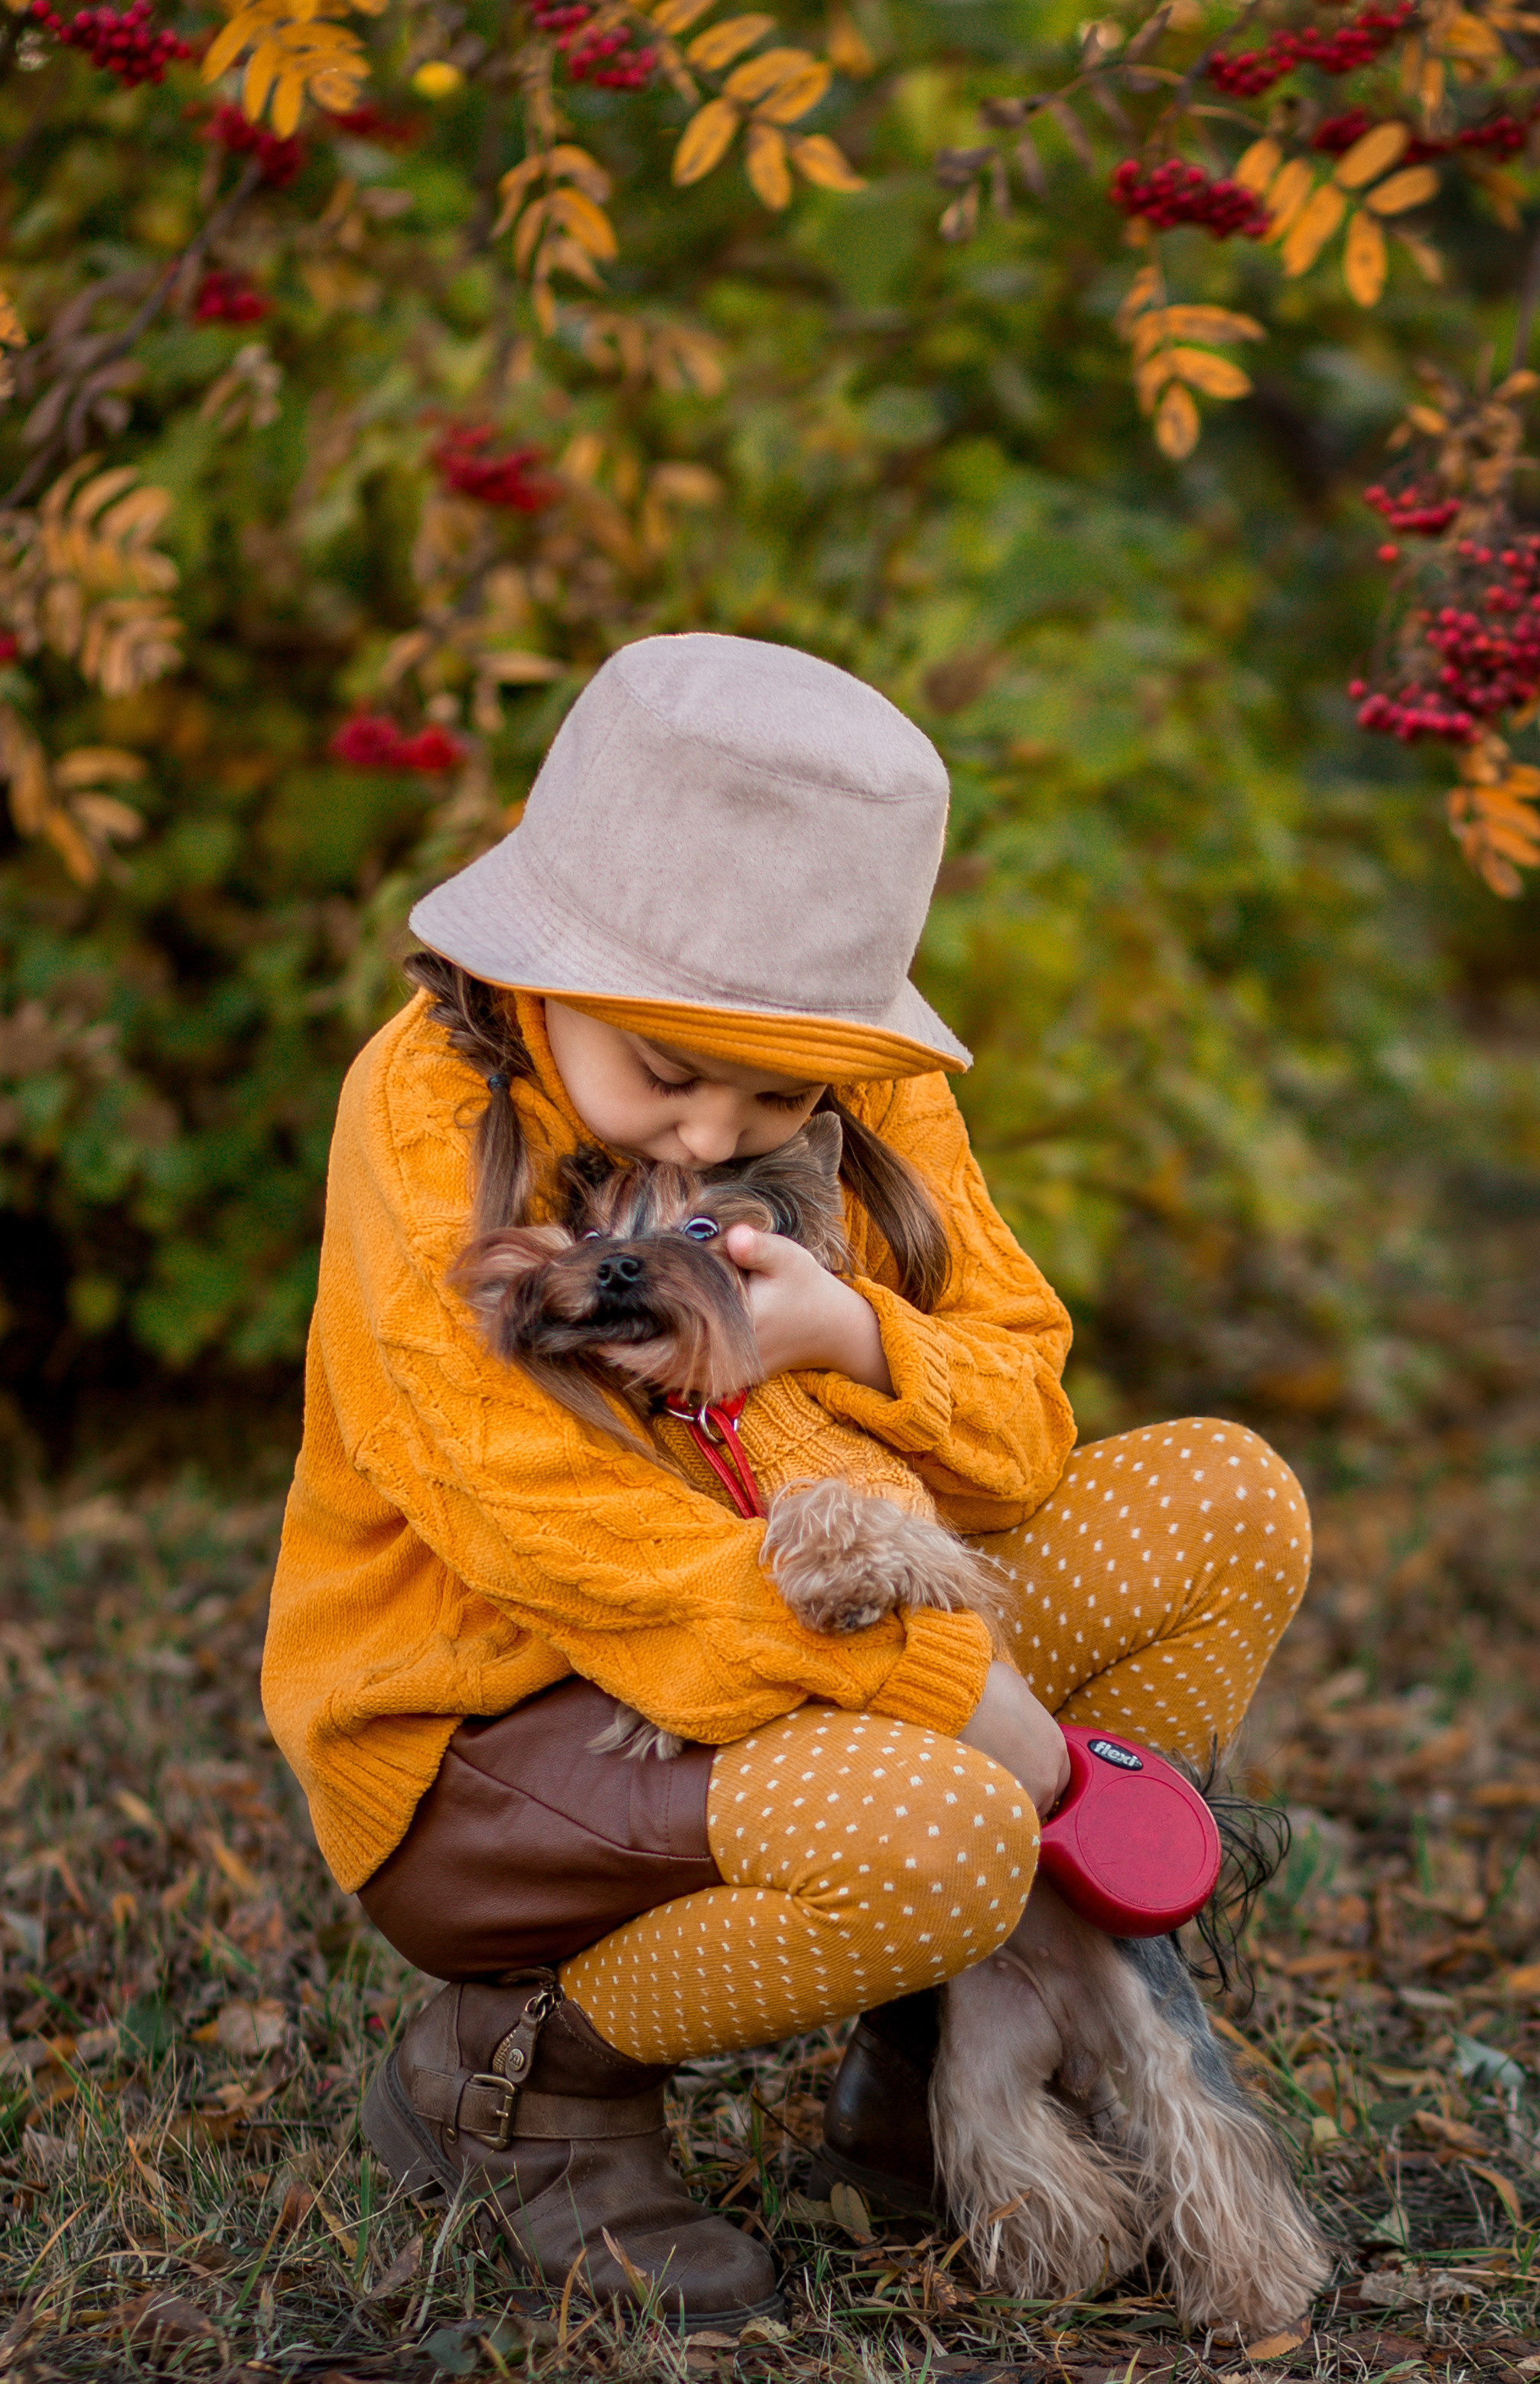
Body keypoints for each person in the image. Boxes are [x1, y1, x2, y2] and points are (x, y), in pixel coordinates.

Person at [262, 633, 1310, 2330]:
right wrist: (981, 1713)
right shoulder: (423, 1106)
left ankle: (940, 2051)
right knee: (953, 1823)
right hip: (511, 1724)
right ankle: (520, 2077)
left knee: (1223, 1498)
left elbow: (1024, 1418)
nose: (705, 1134)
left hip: (814, 1628)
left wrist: (848, 1337)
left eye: (773, 1089)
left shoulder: (872, 1081)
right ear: (554, 966)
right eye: (669, 1073)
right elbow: (555, 1540)